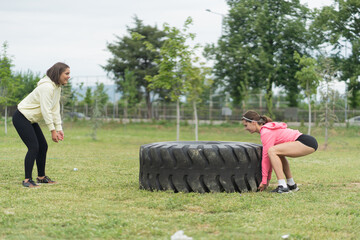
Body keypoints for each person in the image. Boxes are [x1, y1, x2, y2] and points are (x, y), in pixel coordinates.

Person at [12, 62, 70, 188]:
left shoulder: (56, 87)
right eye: (66, 73)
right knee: (34, 147)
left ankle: (41, 177)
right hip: (21, 117)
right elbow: (46, 110)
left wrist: (59, 128)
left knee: (43, 146)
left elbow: (55, 109)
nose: (68, 76)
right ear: (58, 73)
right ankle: (27, 180)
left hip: (30, 119)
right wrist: (52, 130)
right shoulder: (47, 88)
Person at [241, 110, 318, 193]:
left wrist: (264, 180)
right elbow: (270, 158)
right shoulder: (267, 129)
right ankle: (291, 185)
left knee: (272, 151)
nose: (245, 128)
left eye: (246, 125)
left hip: (306, 142)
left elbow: (266, 157)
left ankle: (283, 186)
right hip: (309, 141)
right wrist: (267, 178)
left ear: (253, 122)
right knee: (277, 153)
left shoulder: (266, 132)